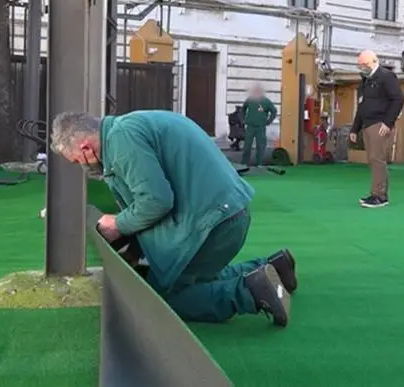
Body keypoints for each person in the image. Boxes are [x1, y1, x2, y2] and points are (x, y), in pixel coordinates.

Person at [50, 110, 297, 327]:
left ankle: (251, 292)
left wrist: (118, 224)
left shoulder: (121, 143)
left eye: (76, 161)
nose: (81, 166)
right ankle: (274, 267)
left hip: (215, 224)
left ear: (85, 148)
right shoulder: (127, 128)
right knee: (195, 278)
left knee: (164, 296)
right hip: (230, 213)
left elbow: (156, 201)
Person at [349, 50, 404, 208]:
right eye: (360, 65)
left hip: (379, 124)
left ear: (373, 61)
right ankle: (376, 193)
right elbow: (361, 106)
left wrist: (388, 123)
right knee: (373, 160)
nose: (361, 67)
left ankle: (380, 196)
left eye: (364, 64)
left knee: (377, 159)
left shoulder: (386, 77)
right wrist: (355, 129)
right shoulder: (365, 80)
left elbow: (398, 99)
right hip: (367, 124)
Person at [240, 84, 277, 167]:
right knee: (247, 146)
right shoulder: (250, 100)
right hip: (250, 126)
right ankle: (244, 163)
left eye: (258, 91)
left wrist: (269, 121)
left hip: (261, 127)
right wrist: (243, 120)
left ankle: (259, 163)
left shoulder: (266, 101)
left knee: (260, 146)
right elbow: (243, 109)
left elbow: (274, 111)